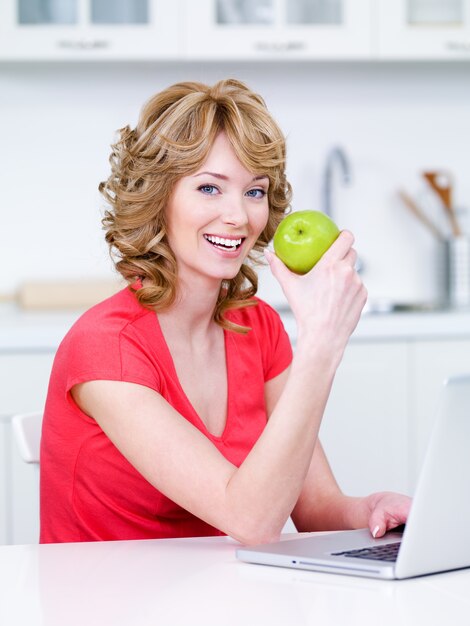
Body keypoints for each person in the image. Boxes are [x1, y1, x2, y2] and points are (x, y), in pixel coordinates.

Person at [39, 79, 410, 544]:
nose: (238, 215)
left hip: (220, 595)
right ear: (159, 198)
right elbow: (251, 521)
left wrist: (368, 509)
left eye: (255, 192)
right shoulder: (105, 346)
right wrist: (322, 344)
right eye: (210, 188)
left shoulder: (257, 327)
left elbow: (314, 509)